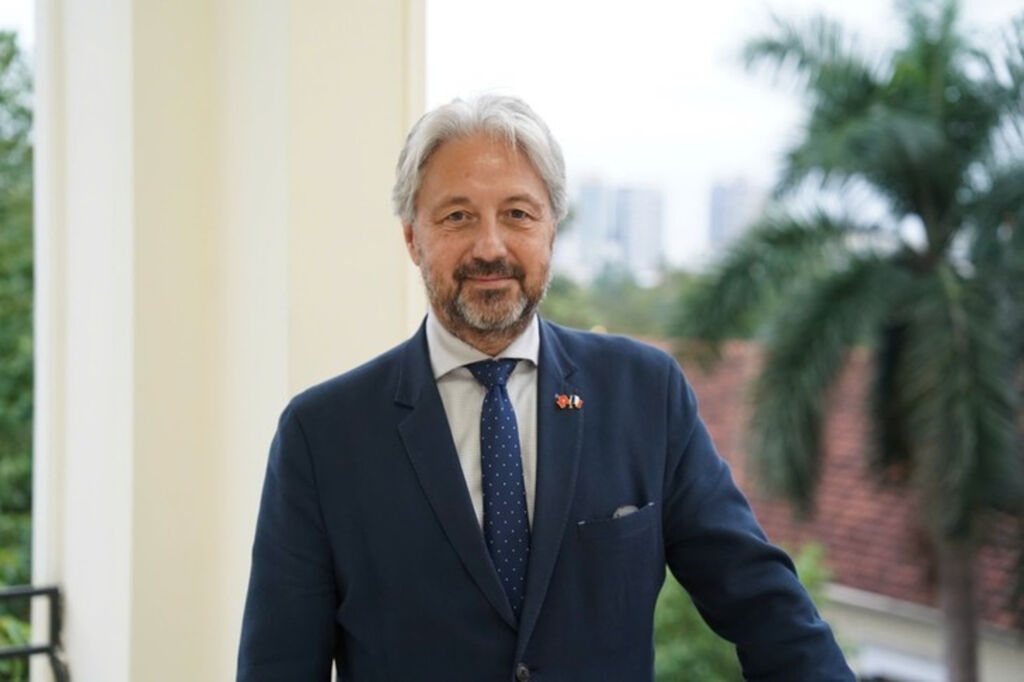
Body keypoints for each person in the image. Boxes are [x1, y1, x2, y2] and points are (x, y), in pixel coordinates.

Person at [237, 95, 854, 681]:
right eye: (457, 216)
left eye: (517, 214)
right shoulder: (322, 436)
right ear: (412, 238)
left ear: (551, 230)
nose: (490, 247)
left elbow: (763, 604)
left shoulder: (645, 393)